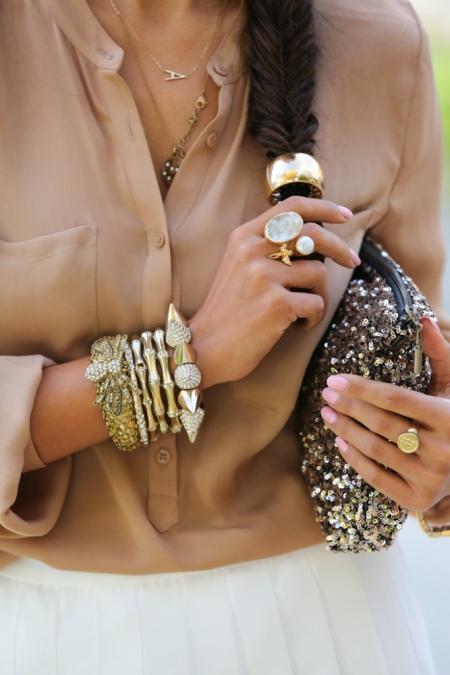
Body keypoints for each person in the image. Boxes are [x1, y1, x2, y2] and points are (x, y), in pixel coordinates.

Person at [0, 0, 449, 672]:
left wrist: (434, 469)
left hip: (326, 631)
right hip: (41, 634)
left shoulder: (375, 42)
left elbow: (426, 359)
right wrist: (190, 357)